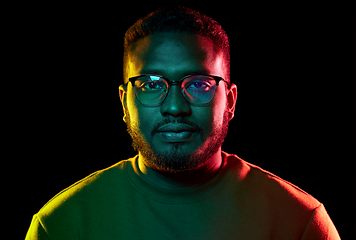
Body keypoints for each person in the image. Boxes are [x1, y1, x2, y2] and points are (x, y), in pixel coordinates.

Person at [26, 6, 340, 240]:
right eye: (150, 84)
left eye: (200, 84)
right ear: (124, 102)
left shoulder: (299, 221)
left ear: (230, 101)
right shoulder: (60, 224)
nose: (175, 107)